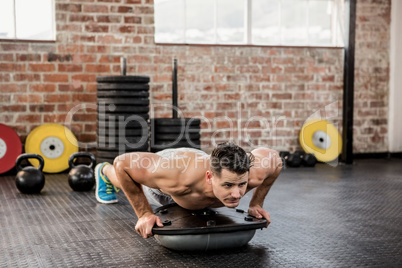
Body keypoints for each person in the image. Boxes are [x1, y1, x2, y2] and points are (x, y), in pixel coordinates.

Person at [94, 142, 282, 239]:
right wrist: (144, 213)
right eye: (227, 185)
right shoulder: (176, 177)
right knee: (124, 180)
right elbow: (123, 163)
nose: (236, 194)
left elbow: (275, 160)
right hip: (171, 178)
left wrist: (256, 203)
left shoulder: (254, 174)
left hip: (194, 171)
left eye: (241, 185)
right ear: (210, 177)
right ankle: (103, 171)